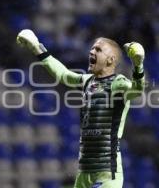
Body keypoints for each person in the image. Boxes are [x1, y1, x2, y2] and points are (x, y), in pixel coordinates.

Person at [16, 29, 145, 188]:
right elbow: (62, 74)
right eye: (92, 48)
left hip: (106, 171)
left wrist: (138, 65)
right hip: (84, 170)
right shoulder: (86, 81)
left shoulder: (118, 83)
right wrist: (37, 47)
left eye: (98, 49)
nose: (91, 51)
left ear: (110, 60)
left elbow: (137, 90)